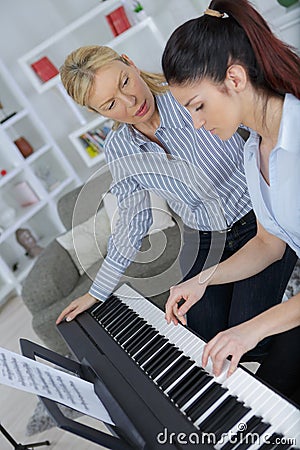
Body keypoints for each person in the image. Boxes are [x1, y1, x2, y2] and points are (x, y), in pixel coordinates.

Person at [56, 46, 295, 367]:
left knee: (249, 335)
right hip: (205, 235)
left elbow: (266, 123)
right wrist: (97, 291)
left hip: (259, 222)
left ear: (131, 62)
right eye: (111, 104)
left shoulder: (190, 99)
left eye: (125, 82)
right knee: (196, 331)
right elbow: (131, 220)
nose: (130, 102)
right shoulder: (120, 148)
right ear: (98, 114)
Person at [161, 0, 300, 403]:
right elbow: (268, 243)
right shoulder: (252, 149)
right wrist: (201, 279)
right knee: (262, 395)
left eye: (199, 106)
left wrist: (250, 328)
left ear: (235, 78)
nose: (197, 123)